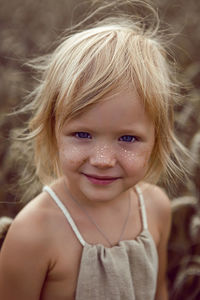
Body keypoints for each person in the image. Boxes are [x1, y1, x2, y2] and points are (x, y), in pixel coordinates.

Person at [0, 1, 189, 299]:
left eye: (127, 139)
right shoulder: (33, 234)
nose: (102, 160)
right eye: (82, 134)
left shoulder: (155, 208)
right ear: (52, 131)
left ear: (158, 139)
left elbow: (158, 291)